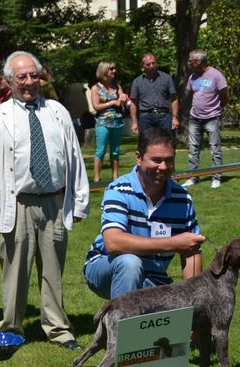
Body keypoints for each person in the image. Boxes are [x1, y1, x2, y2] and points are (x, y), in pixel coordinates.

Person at [0, 50, 90, 351]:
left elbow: (74, 158)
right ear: (9, 81)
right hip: (18, 204)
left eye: (33, 75)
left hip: (54, 202)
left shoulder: (58, 111)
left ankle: (57, 327)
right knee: (14, 271)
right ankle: (12, 327)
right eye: (21, 77)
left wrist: (78, 202)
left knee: (53, 269)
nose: (29, 82)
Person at [84, 127, 205, 299]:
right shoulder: (119, 189)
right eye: (156, 160)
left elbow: (191, 251)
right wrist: (174, 243)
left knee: (175, 317)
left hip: (155, 278)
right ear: (138, 158)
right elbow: (113, 242)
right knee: (130, 263)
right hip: (106, 266)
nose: (163, 167)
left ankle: (116, 322)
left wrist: (194, 301)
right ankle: (121, 325)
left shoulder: (182, 198)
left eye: (169, 160)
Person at [182, 49, 228, 189]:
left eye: (191, 61)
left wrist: (218, 109)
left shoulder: (216, 75)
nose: (189, 63)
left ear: (199, 61)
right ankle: (193, 176)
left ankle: (216, 177)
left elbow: (225, 95)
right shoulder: (192, 77)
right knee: (193, 148)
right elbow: (190, 94)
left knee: (215, 148)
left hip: (212, 117)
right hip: (195, 117)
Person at [90, 61, 127, 182]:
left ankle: (115, 176)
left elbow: (123, 98)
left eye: (114, 68)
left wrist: (123, 98)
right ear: (104, 71)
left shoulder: (117, 85)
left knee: (115, 151)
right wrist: (112, 102)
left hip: (117, 121)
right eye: (111, 69)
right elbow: (96, 106)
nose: (114, 71)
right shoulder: (95, 88)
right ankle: (96, 179)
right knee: (100, 150)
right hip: (103, 122)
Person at [129, 53, 179, 135]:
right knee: (146, 145)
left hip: (164, 116)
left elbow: (174, 98)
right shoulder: (137, 82)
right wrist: (134, 122)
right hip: (146, 117)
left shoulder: (166, 78)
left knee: (166, 144)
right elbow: (133, 103)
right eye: (148, 64)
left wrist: (175, 118)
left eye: (153, 63)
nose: (151, 66)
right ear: (142, 66)